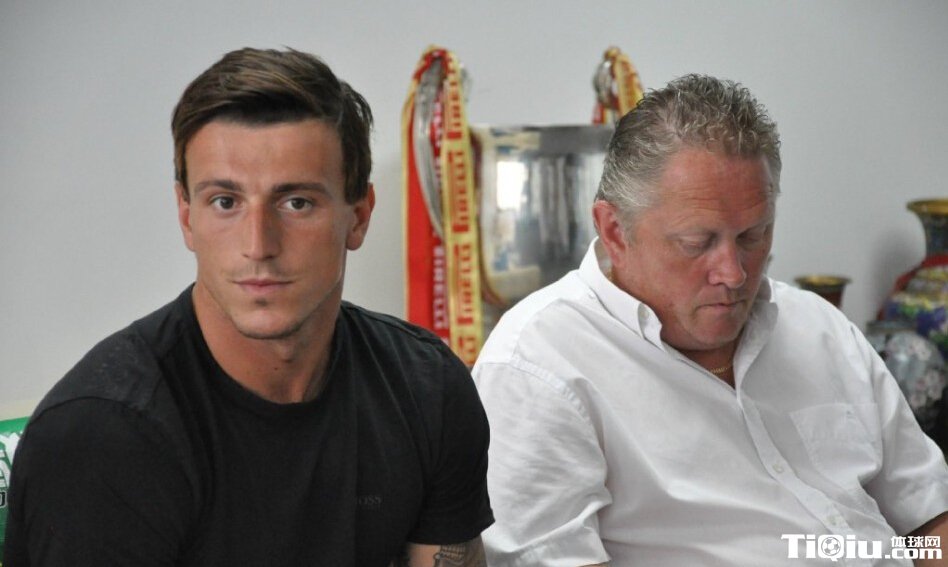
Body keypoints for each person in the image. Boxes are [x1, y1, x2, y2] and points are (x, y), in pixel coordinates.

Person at [4, 47, 492, 567]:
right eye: (225, 202)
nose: (258, 244)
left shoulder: (427, 389)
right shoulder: (102, 435)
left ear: (358, 217)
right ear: (187, 217)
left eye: (296, 202)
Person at [473, 74, 948, 566]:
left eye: (752, 236)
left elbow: (927, 520)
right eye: (697, 243)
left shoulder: (816, 326)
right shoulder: (538, 365)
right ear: (614, 230)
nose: (734, 273)